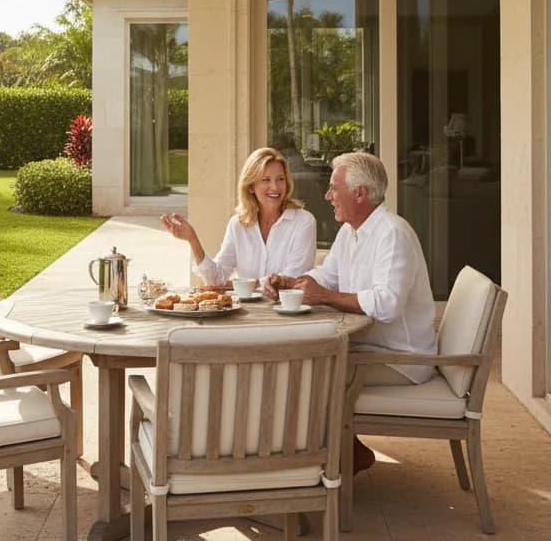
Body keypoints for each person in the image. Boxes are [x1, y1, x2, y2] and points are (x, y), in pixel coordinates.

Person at [265, 151, 437, 474]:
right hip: (370, 346)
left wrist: (324, 296)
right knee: (300, 362)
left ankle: (324, 463)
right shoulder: (351, 231)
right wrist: (296, 283)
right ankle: (332, 454)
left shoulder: (392, 234)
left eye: (334, 188)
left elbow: (386, 304)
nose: (328, 196)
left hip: (401, 358)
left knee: (310, 374)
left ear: (359, 193)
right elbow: (327, 274)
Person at [161, 146, 316, 293]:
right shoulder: (238, 224)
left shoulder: (303, 222)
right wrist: (193, 240)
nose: (275, 187)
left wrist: (240, 285)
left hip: (287, 314)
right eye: (266, 180)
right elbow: (216, 279)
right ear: (250, 186)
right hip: (245, 314)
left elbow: (293, 280)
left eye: (280, 179)